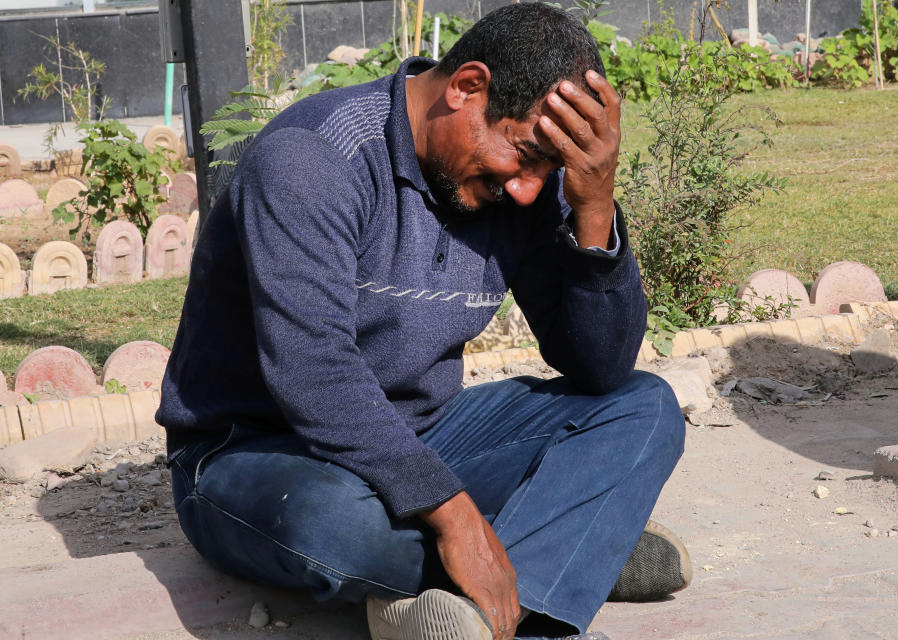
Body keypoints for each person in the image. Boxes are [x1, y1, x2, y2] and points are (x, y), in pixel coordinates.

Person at [157, 4, 688, 639]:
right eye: (523, 156)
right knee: (331, 525)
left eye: (548, 170)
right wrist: (456, 517)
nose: (527, 189)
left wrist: (594, 205)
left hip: (423, 439)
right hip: (262, 452)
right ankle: (567, 546)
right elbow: (315, 377)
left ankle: (519, 593)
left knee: (643, 407)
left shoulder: (523, 184)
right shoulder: (312, 161)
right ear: (466, 87)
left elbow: (599, 368)